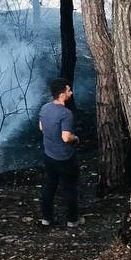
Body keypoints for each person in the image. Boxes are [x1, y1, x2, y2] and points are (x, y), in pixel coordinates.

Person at [38, 77, 80, 227]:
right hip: (64, 157)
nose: (71, 92)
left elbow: (42, 128)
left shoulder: (45, 108)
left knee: (49, 186)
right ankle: (72, 220)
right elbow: (66, 137)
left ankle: (46, 218)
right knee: (69, 188)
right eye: (69, 90)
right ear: (62, 94)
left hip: (49, 155)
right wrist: (76, 138)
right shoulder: (66, 114)